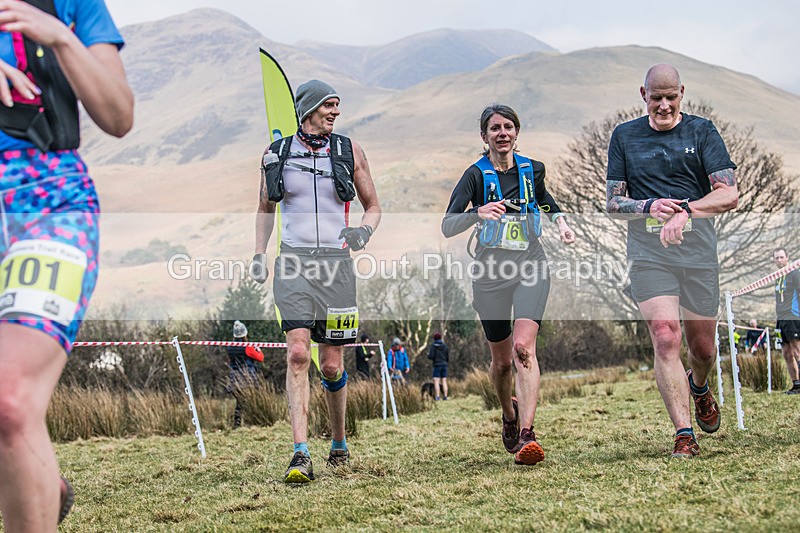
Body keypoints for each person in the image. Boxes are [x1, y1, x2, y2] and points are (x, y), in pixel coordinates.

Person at [0, 1, 133, 529]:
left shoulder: (71, 3)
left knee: (9, 401)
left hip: (48, 203)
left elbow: (119, 116)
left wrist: (59, 36)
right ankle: (37, 484)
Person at [606, 64, 738, 458]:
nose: (663, 105)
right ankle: (684, 434)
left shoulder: (702, 132)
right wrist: (648, 206)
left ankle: (699, 387)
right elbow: (613, 201)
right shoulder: (624, 136)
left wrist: (686, 210)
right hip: (649, 254)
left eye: (670, 97)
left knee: (704, 350)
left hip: (698, 252)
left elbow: (728, 194)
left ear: (682, 93)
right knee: (665, 335)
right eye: (655, 97)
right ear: (642, 94)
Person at [252, 79, 381, 483]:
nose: (336, 113)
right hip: (292, 264)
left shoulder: (349, 150)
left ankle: (339, 441)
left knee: (329, 363)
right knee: (296, 355)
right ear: (308, 108)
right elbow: (264, 208)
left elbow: (374, 206)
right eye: (330, 105)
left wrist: (363, 231)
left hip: (337, 268)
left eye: (338, 107)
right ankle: (300, 453)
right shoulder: (276, 154)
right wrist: (259, 253)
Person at [442, 103, 575, 466]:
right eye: (495, 128)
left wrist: (561, 221)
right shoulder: (474, 176)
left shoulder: (533, 170)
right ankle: (508, 414)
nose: (502, 133)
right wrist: (477, 213)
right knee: (501, 364)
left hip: (531, 265)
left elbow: (544, 201)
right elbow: (447, 224)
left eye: (508, 127)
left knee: (523, 348)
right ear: (484, 137)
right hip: (491, 276)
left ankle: (529, 435)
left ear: (517, 132)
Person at [772, 248, 800, 394]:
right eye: (776, 258)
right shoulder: (777, 276)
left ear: (787, 258)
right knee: (786, 353)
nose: (779, 260)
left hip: (792, 316)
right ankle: (796, 385)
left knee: (797, 351)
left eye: (781, 257)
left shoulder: (795, 273)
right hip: (780, 318)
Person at [226, 321, 264, 428]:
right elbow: (261, 357)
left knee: (240, 403)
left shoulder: (230, 347)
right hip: (248, 379)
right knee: (252, 401)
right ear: (245, 334)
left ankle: (237, 424)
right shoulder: (248, 347)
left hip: (235, 379)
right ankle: (252, 422)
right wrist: (257, 349)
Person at [427, 332, 449, 400]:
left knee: (436, 382)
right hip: (444, 365)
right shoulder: (445, 346)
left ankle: (437, 396)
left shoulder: (433, 346)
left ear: (434, 338)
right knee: (444, 381)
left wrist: (428, 355)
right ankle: (445, 396)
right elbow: (447, 356)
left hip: (437, 365)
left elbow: (431, 356)